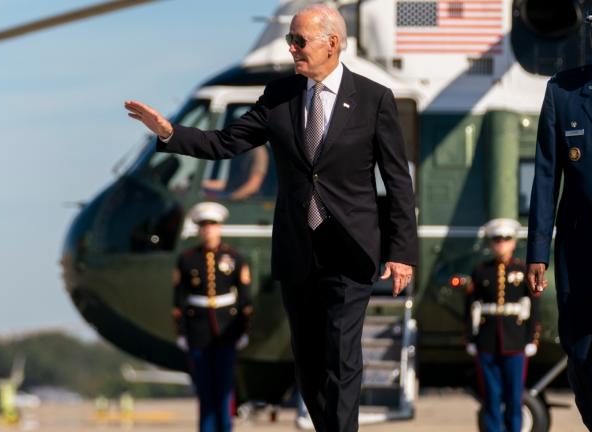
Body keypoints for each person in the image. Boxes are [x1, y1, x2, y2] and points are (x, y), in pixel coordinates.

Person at [126, 5, 417, 431]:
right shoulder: (278, 96)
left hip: (350, 249)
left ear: (332, 43)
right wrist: (170, 133)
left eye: (300, 41)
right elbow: (225, 143)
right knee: (310, 361)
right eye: (289, 40)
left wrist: (401, 251)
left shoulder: (374, 100)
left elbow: (398, 182)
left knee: (342, 353)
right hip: (298, 251)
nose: (292, 49)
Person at [527, 1, 592, 430]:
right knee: (583, 359)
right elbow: (546, 177)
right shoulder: (563, 91)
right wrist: (537, 253)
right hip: (580, 258)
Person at [172, 202, 253, 432]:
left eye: (213, 225)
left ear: (220, 228)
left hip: (227, 331)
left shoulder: (235, 258)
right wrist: (181, 332)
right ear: (198, 230)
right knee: (205, 390)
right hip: (198, 333)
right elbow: (178, 301)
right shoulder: (187, 259)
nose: (208, 230)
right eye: (204, 226)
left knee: (225, 389)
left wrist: (244, 331)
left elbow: (245, 300)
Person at [465, 218, 540, 432]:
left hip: (515, 340)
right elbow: (470, 307)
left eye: (506, 239)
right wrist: (470, 338)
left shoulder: (523, 270)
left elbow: (534, 307)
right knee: (491, 395)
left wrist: (531, 338)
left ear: (513, 243)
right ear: (491, 243)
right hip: (487, 341)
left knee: (514, 396)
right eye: (497, 239)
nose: (501, 244)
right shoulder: (480, 271)